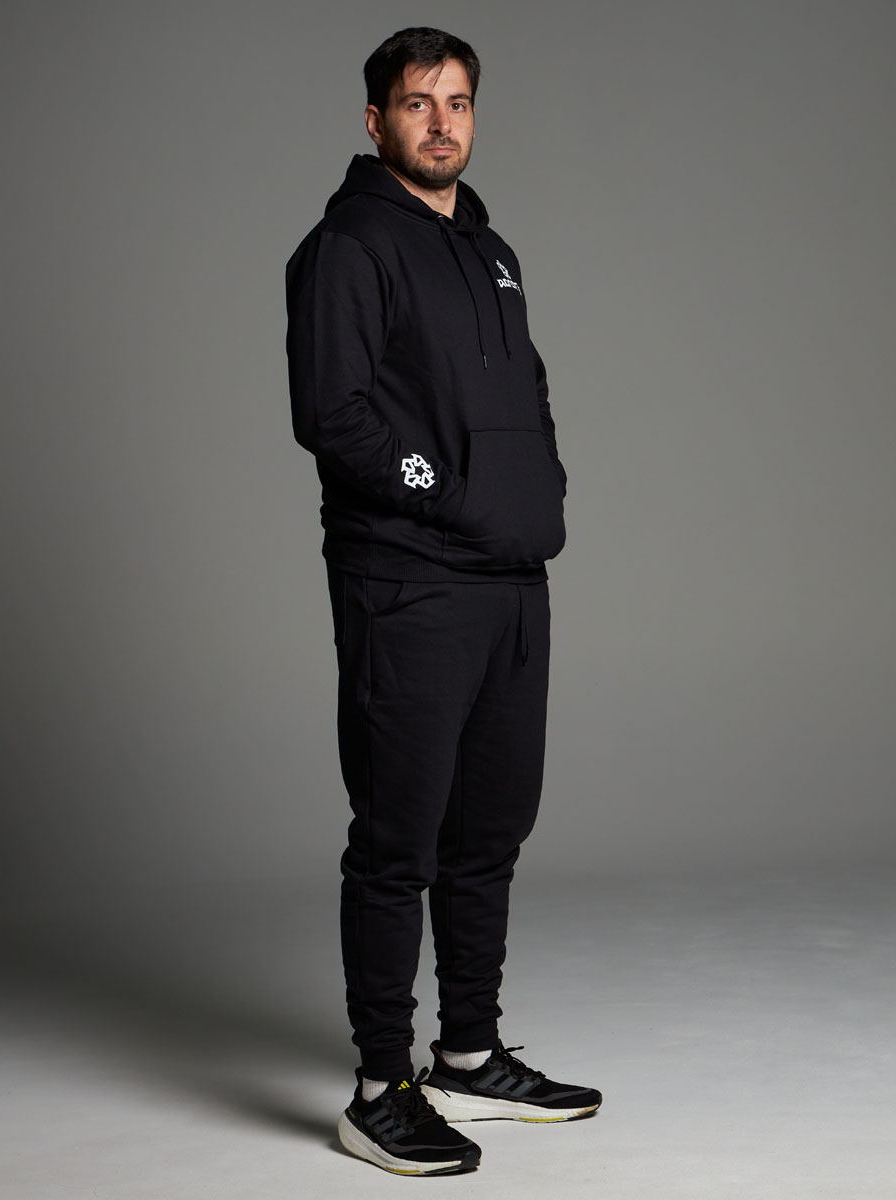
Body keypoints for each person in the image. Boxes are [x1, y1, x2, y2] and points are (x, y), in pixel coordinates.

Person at [285, 26, 601, 1176]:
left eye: (458, 101)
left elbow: (529, 388)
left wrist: (539, 492)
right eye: (418, 103)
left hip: (512, 583)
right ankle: (380, 1088)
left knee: (488, 834)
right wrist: (453, 494)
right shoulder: (347, 246)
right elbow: (334, 416)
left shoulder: (491, 249)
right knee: (398, 841)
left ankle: (468, 1054)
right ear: (377, 121)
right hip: (410, 583)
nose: (441, 122)